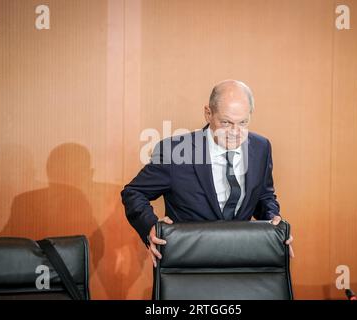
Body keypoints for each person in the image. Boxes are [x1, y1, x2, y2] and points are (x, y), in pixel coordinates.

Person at [121, 80, 294, 267]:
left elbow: (263, 194)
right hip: (187, 261)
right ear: (208, 114)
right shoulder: (177, 151)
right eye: (226, 123)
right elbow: (133, 192)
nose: (235, 132)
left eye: (243, 123)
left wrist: (273, 220)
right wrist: (150, 227)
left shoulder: (261, 147)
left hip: (242, 258)